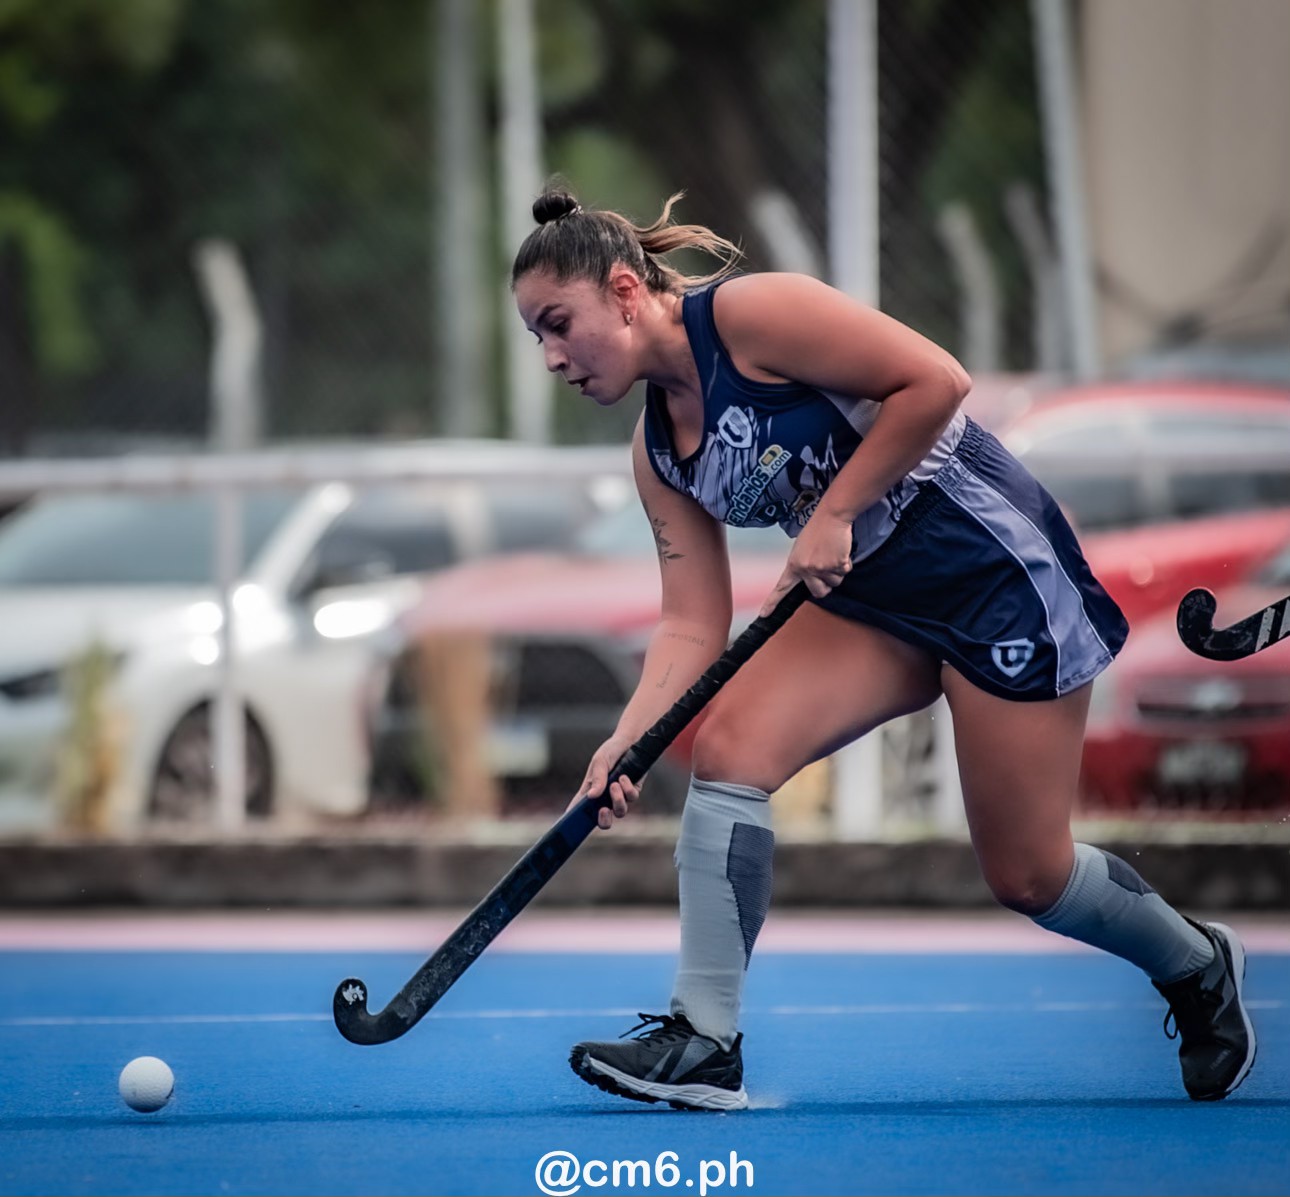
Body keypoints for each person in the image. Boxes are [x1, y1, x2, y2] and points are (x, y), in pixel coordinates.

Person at [510, 185, 1256, 1111]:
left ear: (625, 292)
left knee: (1029, 873)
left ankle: (1196, 959)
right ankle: (705, 1037)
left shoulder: (751, 315)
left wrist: (833, 510)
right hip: (874, 602)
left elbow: (936, 380)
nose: (549, 355)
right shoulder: (658, 451)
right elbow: (690, 624)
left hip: (993, 574)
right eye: (535, 337)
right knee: (730, 748)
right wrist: (629, 738)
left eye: (557, 323)